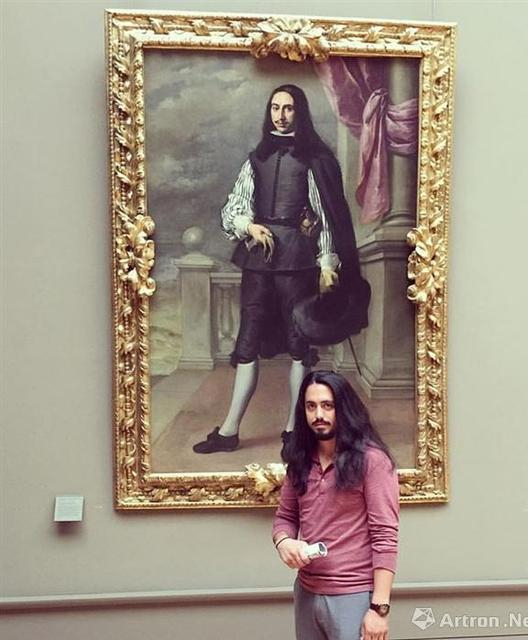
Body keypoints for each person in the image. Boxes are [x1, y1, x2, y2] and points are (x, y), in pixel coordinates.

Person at [193, 85, 368, 455]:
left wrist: (326, 263)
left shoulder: (315, 159)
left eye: (288, 108)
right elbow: (234, 206)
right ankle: (229, 431)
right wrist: (249, 226)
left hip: (298, 262)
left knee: (298, 345)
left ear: (298, 112)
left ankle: (293, 432)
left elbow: (325, 218)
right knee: (247, 343)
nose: (281, 115)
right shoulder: (256, 158)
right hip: (259, 261)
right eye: (275, 107)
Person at [272, 370, 399, 640]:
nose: (319, 414)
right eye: (311, 406)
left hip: (353, 594)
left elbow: (385, 536)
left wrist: (379, 609)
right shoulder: (299, 459)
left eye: (327, 405)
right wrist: (284, 542)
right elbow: (285, 517)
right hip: (306, 591)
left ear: (343, 409)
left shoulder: (373, 461)